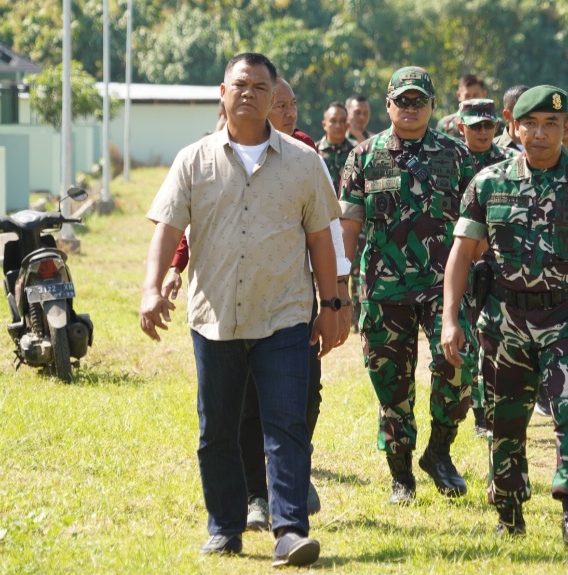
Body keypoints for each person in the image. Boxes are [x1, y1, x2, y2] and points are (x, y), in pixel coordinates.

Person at [139, 52, 344, 567]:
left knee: (286, 425)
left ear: (274, 98)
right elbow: (168, 228)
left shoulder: (303, 162)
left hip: (284, 317)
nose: (249, 93)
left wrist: (332, 303)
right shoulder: (194, 160)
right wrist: (151, 289)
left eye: (259, 87)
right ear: (223, 93)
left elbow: (321, 238)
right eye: (240, 85)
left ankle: (290, 530)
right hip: (215, 320)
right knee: (217, 430)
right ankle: (225, 528)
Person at [441, 85, 568, 552]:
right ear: (514, 128)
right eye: (530, 124)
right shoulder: (488, 183)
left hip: (567, 316)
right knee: (506, 420)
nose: (541, 133)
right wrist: (450, 318)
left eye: (552, 124)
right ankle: (509, 514)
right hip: (504, 320)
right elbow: (461, 254)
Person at [338, 66, 477, 505]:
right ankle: (401, 475)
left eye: (419, 101)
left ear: (433, 105)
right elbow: (348, 226)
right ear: (388, 105)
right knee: (391, 386)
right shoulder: (364, 156)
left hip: (444, 289)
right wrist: (339, 287)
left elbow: (475, 226)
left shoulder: (456, 156)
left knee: (458, 370)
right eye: (403, 100)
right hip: (384, 291)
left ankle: (439, 452)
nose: (411, 108)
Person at [453, 97, 511, 438]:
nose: (483, 131)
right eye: (475, 126)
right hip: (462, 262)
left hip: (498, 265)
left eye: (488, 125)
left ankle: (495, 407)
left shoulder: (509, 162)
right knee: (470, 339)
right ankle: (478, 413)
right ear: (462, 127)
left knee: (497, 339)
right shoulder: (451, 161)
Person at [316, 101, 361, 331]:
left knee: (356, 270)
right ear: (324, 124)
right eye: (333, 121)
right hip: (322, 222)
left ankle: (357, 318)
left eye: (342, 121)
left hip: (351, 221)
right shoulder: (314, 153)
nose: (337, 125)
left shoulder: (357, 152)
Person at [437, 74, 490, 141]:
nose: (471, 100)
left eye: (475, 96)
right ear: (459, 95)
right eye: (467, 96)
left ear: (484, 95)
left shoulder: (492, 124)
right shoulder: (445, 125)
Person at [491, 84, 529, 154]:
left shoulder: (544, 147)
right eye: (523, 111)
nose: (529, 116)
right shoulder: (491, 148)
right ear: (507, 115)